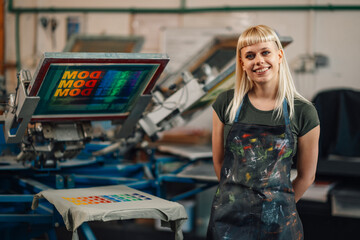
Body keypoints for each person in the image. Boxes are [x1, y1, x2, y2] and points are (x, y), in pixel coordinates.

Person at [207, 25, 320, 240]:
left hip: (279, 224)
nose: (258, 60)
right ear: (242, 63)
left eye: (265, 52)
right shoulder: (226, 104)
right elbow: (219, 163)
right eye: (250, 55)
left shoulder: (303, 111)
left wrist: (278, 208)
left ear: (279, 55)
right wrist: (236, 204)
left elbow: (307, 176)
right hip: (228, 222)